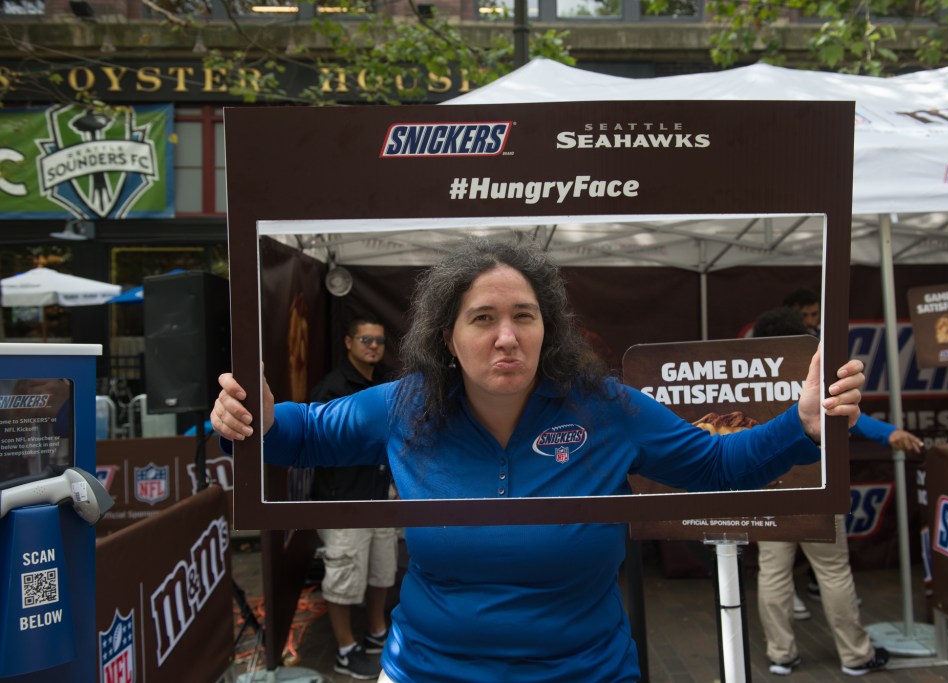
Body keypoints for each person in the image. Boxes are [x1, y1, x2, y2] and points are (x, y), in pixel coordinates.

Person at [212, 237, 866, 683]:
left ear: (547, 328)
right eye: (483, 317)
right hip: (430, 670)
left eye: (524, 315)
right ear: (448, 336)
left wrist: (802, 423)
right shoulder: (405, 407)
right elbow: (298, 433)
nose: (505, 335)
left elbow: (720, 465)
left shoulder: (604, 408)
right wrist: (243, 419)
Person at [752, 306, 903, 677]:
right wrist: (888, 434)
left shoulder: (748, 370)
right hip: (814, 482)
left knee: (772, 571)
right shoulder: (814, 369)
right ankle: (856, 655)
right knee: (833, 571)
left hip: (768, 485)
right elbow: (845, 412)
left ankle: (780, 654)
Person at [308, 314, 397, 680]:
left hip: (382, 495)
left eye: (378, 340)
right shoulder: (332, 388)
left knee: (383, 571)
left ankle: (376, 632)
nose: (373, 347)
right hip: (343, 500)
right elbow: (317, 442)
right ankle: (345, 648)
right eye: (366, 340)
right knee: (342, 580)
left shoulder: (391, 381)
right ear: (349, 343)